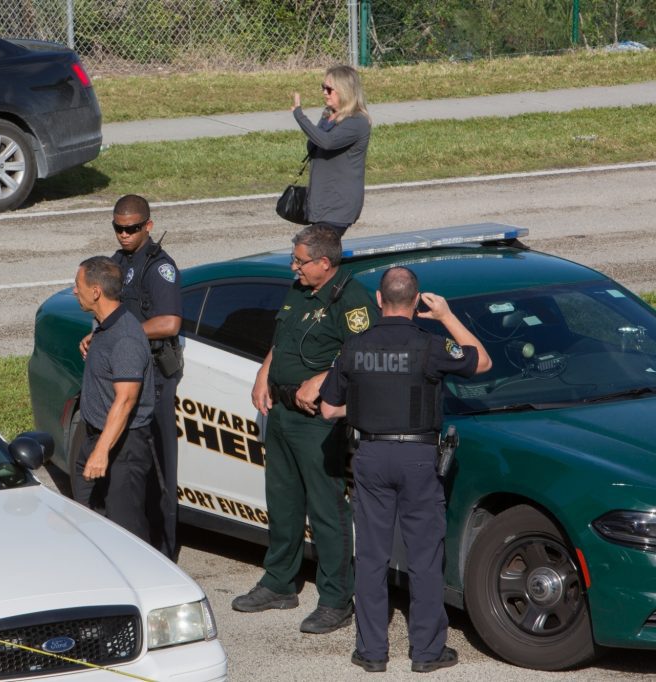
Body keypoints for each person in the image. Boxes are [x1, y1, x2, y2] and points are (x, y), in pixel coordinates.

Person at [320, 266, 492, 673]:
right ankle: (428, 653)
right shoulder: (430, 345)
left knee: (373, 557)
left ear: (379, 301)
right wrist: (447, 316)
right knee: (425, 558)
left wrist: (369, 407)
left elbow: (328, 408)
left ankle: (372, 652)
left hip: (372, 456)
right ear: (416, 303)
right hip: (417, 458)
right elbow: (481, 362)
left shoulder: (354, 347)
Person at [232, 225, 377, 636]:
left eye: (299, 261)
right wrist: (264, 372)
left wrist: (325, 378)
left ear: (325, 263)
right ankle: (279, 582)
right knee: (283, 500)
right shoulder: (300, 290)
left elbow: (365, 353)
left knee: (327, 510)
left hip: (318, 421)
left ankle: (335, 599)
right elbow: (284, 337)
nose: (293, 266)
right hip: (281, 410)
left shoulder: (351, 300)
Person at [81, 194, 182, 559]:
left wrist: (125, 332)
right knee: (122, 478)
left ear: (148, 226)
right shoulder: (116, 262)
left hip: (153, 378)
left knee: (157, 473)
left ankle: (163, 553)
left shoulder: (159, 268)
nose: (124, 234)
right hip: (122, 374)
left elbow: (170, 322)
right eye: (118, 228)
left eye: (132, 228)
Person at [72, 255, 155, 542]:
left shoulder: (125, 338)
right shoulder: (105, 325)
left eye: (78, 284)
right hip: (97, 438)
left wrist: (102, 451)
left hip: (123, 448)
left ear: (96, 291)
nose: (74, 291)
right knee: (87, 520)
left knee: (126, 531)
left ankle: (144, 583)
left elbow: (126, 400)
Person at [290, 64, 371, 237]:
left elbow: (327, 142)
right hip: (321, 201)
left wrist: (299, 116)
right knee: (318, 253)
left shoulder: (357, 122)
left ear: (344, 90)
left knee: (314, 252)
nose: (324, 92)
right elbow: (314, 145)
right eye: (323, 87)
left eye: (329, 89)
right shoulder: (328, 115)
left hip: (338, 205)